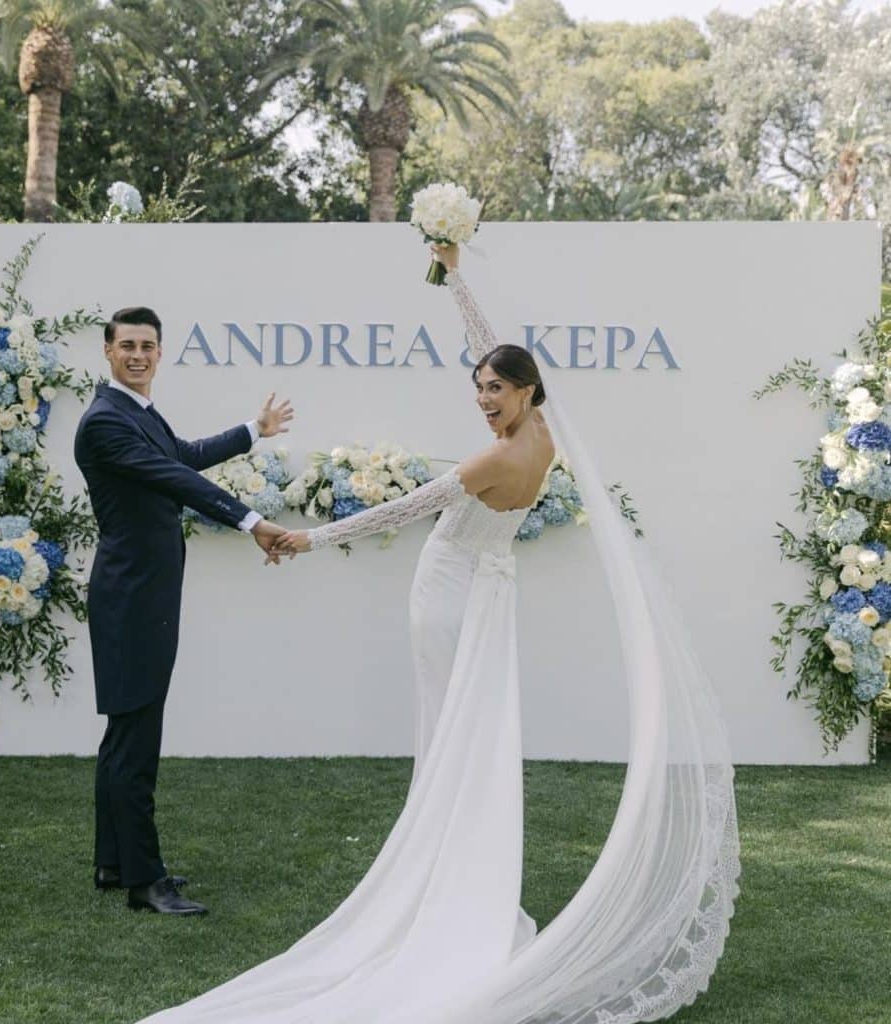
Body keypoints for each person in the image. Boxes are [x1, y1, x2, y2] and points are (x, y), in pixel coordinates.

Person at [137, 247, 739, 1021]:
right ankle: (457, 868)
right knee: (470, 735)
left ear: (527, 391)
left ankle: (446, 878)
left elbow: (406, 509)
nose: (485, 398)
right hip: (492, 597)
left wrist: (308, 540)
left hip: (452, 591)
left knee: (457, 738)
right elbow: (489, 345)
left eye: (497, 389)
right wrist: (455, 279)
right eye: (479, 387)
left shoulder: (494, 455)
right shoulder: (545, 435)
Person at [74, 305, 292, 917]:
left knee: (127, 732)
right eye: (127, 345)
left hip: (142, 595)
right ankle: (145, 881)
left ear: (159, 352)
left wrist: (253, 429)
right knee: (136, 738)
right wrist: (251, 521)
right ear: (108, 352)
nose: (138, 355)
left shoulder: (134, 411)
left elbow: (182, 456)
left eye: (148, 345)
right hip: (131, 599)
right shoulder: (103, 422)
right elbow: (175, 479)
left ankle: (114, 862)